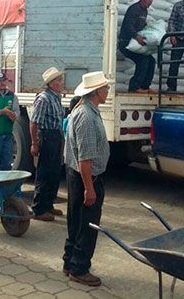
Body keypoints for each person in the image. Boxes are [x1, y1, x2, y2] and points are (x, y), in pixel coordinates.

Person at [62, 71, 110, 287]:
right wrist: (89, 188)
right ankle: (79, 268)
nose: (108, 91)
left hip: (78, 176)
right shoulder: (87, 116)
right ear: (97, 91)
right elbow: (85, 158)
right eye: (105, 88)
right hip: (86, 177)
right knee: (87, 224)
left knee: (76, 221)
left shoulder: (86, 110)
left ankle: (70, 262)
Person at [30, 67, 65, 222]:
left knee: (55, 172)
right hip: (47, 136)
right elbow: (34, 122)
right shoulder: (43, 98)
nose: (61, 83)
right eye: (58, 80)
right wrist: (34, 143)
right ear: (51, 83)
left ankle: (49, 204)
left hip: (56, 136)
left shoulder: (56, 97)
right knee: (44, 173)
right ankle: (38, 208)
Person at [118, 0, 156, 93]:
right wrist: (136, 36)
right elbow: (128, 26)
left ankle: (145, 86)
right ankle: (134, 87)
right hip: (126, 43)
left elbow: (141, 26)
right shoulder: (134, 9)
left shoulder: (144, 11)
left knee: (151, 61)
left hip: (135, 42)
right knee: (142, 60)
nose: (150, 1)